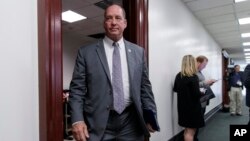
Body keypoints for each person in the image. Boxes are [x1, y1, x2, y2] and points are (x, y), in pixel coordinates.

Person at [68, 4, 159, 141]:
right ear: (104, 23)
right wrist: (77, 120)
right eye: (109, 18)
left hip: (131, 123)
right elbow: (77, 90)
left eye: (118, 18)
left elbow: (145, 87)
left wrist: (151, 115)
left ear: (125, 23)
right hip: (98, 124)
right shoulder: (86, 53)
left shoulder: (138, 52)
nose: (114, 22)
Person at [174, 55, 205, 141]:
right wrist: (202, 92)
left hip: (182, 108)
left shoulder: (178, 75)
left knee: (187, 130)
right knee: (191, 133)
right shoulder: (193, 77)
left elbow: (176, 89)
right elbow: (196, 94)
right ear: (192, 63)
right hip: (193, 109)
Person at [194, 55, 216, 141]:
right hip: (198, 101)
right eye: (204, 64)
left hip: (203, 99)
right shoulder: (193, 72)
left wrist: (209, 84)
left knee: (199, 120)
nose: (205, 67)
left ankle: (195, 137)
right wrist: (206, 82)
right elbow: (193, 85)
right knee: (196, 122)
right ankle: (194, 137)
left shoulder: (199, 72)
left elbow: (201, 84)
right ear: (198, 62)